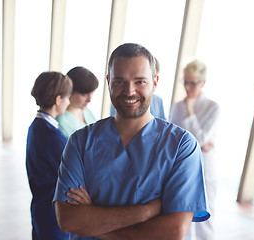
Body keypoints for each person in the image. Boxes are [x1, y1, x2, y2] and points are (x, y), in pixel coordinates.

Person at [53, 43, 210, 240]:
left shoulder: (182, 146)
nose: (129, 91)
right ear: (109, 81)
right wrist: (149, 210)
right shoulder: (80, 142)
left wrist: (95, 222)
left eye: (140, 82)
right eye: (119, 81)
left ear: (155, 82)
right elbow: (69, 220)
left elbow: (173, 231)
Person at [170, 59, 220, 240]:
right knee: (183, 217)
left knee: (206, 218)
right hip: (181, 168)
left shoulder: (213, 107)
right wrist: (199, 143)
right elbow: (171, 140)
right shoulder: (177, 106)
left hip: (205, 168)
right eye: (185, 82)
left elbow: (200, 139)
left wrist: (190, 111)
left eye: (193, 83)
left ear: (203, 83)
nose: (188, 87)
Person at [26, 71, 72, 240]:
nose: (69, 102)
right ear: (57, 100)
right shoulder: (52, 136)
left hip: (40, 208)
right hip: (53, 215)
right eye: (67, 97)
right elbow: (71, 173)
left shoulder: (35, 127)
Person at [57, 66, 99, 137]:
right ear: (70, 91)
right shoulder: (60, 122)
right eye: (84, 94)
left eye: (91, 94)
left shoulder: (87, 112)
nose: (89, 100)